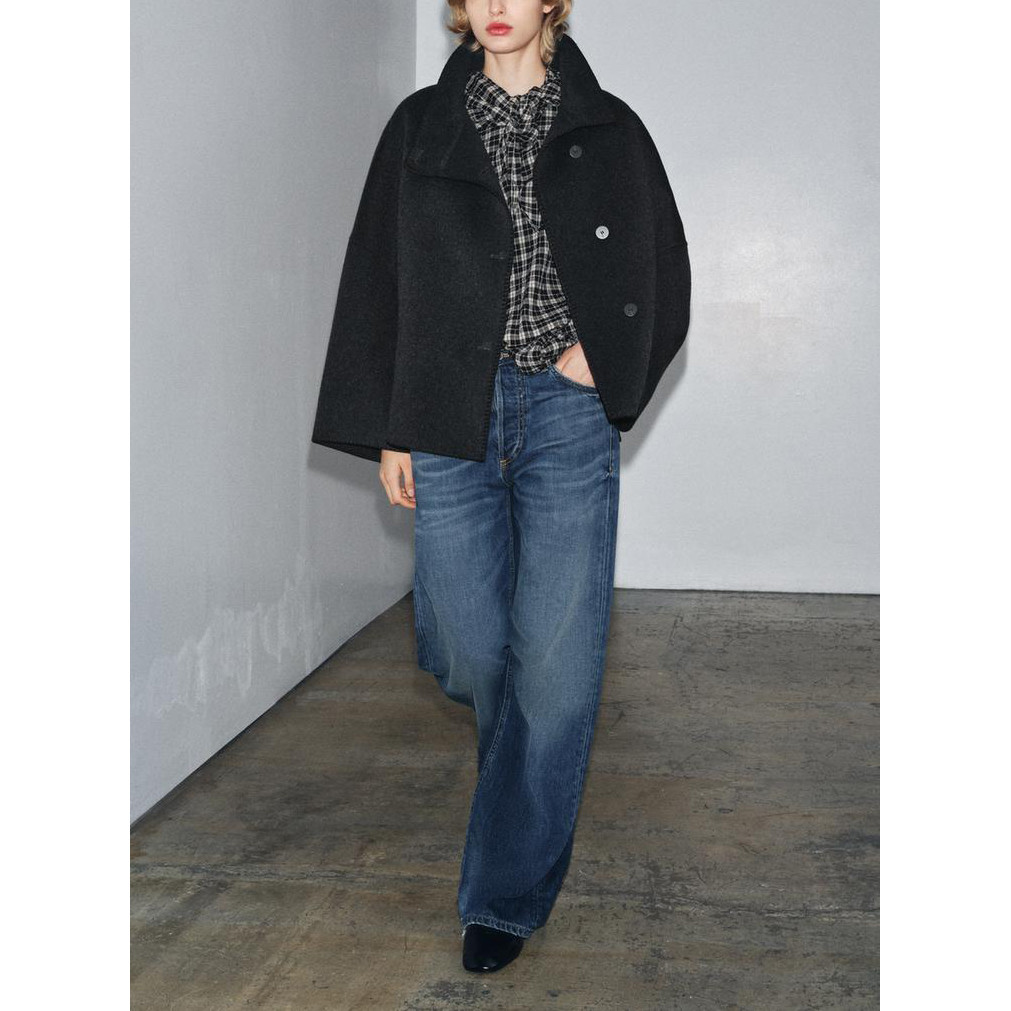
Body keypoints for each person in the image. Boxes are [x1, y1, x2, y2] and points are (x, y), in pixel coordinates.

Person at [311, 0, 690, 974]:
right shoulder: (420, 126)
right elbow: (377, 277)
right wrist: (390, 427)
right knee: (470, 645)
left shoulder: (610, 126)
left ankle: (505, 898)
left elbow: (666, 265)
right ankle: (524, 778)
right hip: (448, 414)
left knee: (556, 670)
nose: (494, 6)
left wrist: (609, 361)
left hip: (566, 415)